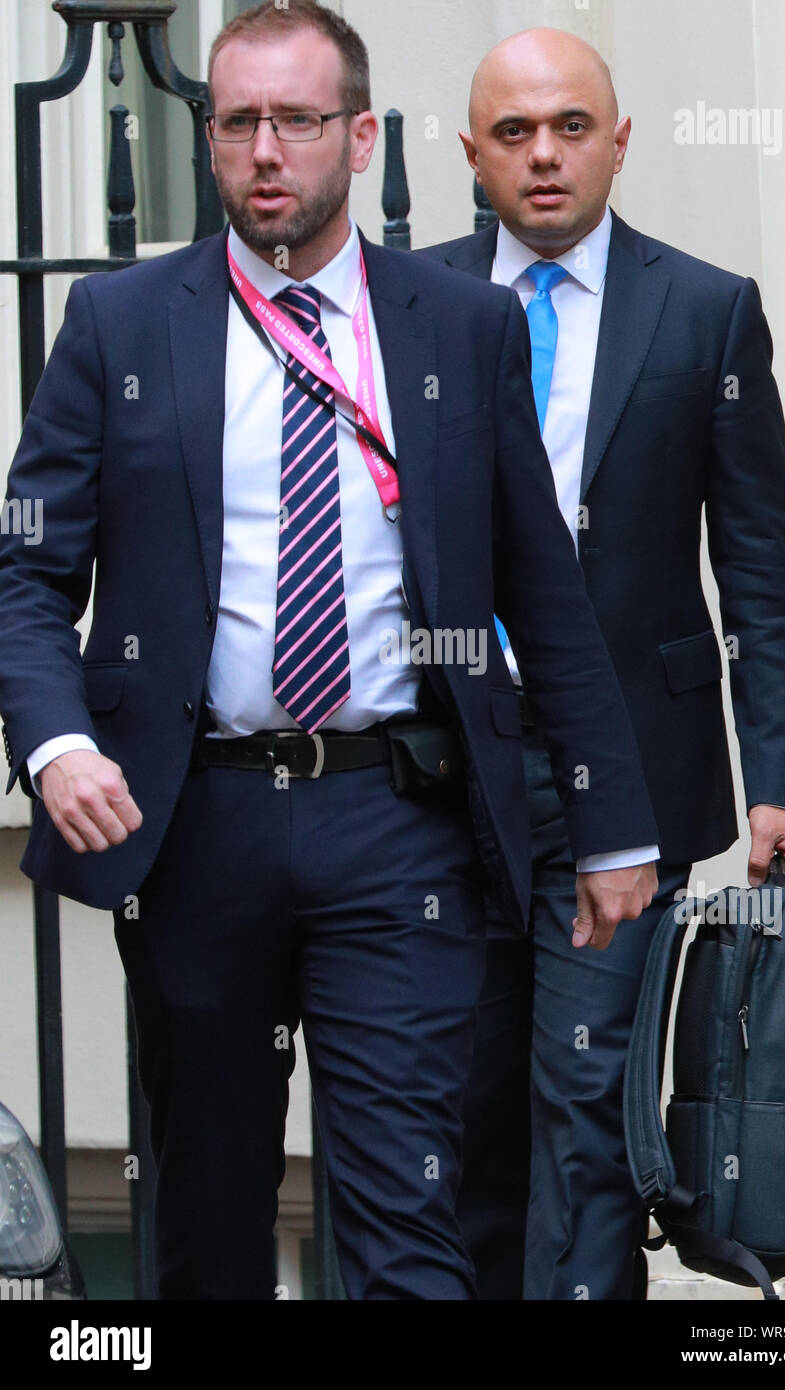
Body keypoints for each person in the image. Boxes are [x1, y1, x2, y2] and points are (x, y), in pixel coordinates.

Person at [0, 4, 659, 1300]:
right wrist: (58, 739)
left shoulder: (457, 329)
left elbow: (544, 585)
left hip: (395, 820)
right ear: (210, 134)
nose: (263, 151)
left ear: (357, 136)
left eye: (295, 120)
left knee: (410, 1215)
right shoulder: (122, 326)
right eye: (237, 119)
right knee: (206, 1220)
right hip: (198, 819)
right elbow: (25, 568)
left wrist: (611, 823)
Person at [422, 27, 785, 1301]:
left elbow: (758, 562)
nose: (545, 156)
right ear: (473, 150)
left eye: (571, 127)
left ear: (619, 140)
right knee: (458, 1113)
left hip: (628, 782)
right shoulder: (404, 302)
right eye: (516, 133)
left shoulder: (703, 309)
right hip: (435, 782)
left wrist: (779, 783)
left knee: (587, 1103)